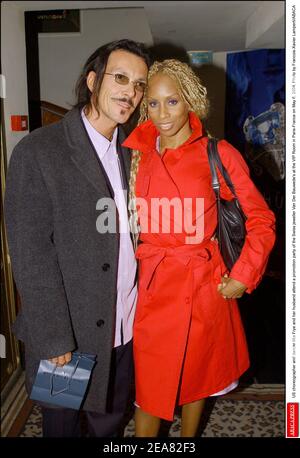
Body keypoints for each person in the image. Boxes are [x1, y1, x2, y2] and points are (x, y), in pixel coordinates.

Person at [4, 39, 150, 437]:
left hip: (124, 329)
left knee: (110, 424)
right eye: (120, 78)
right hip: (66, 337)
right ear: (92, 80)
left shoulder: (135, 153)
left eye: (139, 84)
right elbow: (31, 252)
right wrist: (53, 335)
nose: (131, 93)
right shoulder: (39, 151)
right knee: (62, 424)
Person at [122, 59, 276, 437]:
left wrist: (243, 275)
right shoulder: (135, 153)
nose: (162, 114)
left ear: (190, 100)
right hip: (153, 287)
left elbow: (262, 220)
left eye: (172, 102)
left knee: (197, 378)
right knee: (149, 389)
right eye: (153, 104)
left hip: (201, 284)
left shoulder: (217, 153)